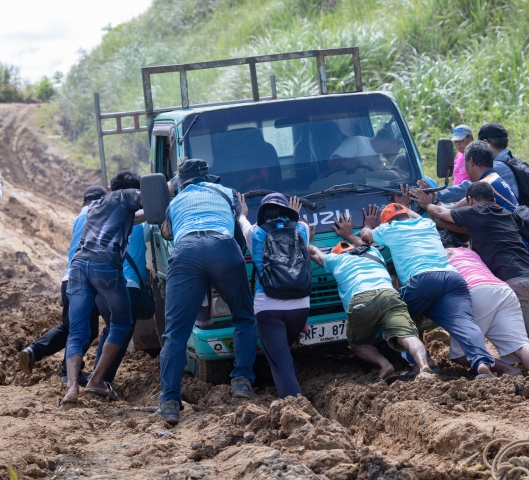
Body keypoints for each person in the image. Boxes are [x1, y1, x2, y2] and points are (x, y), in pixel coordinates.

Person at [411, 182, 529, 380]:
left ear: (470, 201)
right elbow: (448, 224)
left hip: (514, 282)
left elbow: (440, 213)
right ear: (493, 199)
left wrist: (426, 203)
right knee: (528, 337)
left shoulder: (477, 212)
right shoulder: (502, 213)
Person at [419, 139, 529, 354]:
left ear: (471, 161)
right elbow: (463, 223)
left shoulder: (485, 187)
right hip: (515, 248)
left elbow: (449, 213)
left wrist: (428, 204)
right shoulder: (495, 179)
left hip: (510, 253)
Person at [156, 159, 256, 425]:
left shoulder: (175, 202)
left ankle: (169, 403)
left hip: (186, 252)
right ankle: (242, 382)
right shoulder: (228, 193)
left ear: (181, 183)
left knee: (175, 333)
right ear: (208, 178)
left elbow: (168, 233)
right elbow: (239, 230)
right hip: (223, 247)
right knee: (244, 317)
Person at [359, 202, 495, 379]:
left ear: (387, 222)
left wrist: (369, 224)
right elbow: (416, 217)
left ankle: (421, 362)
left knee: (392, 317)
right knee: (464, 322)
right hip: (453, 278)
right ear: (407, 215)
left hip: (422, 281)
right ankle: (482, 363)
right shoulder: (427, 223)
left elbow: (365, 235)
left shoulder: (389, 229)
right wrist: (406, 206)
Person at [308, 212, 433, 381]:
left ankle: (384, 365)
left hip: (362, 299)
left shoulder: (335, 259)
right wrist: (351, 234)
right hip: (389, 294)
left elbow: (314, 252)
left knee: (358, 343)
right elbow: (362, 243)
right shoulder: (373, 252)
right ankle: (424, 366)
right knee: (407, 335)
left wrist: (305, 237)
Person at [63, 171, 145, 405]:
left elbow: (133, 218)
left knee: (77, 332)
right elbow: (149, 201)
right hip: (105, 266)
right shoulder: (125, 196)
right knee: (122, 322)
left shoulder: (96, 206)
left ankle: (71, 387)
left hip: (78, 267)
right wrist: (174, 182)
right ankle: (97, 380)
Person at [18, 186, 107, 382]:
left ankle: (34, 351)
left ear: (84, 202)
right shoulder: (100, 212)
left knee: (71, 326)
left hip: (68, 278)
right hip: (85, 278)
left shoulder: (79, 217)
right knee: (86, 330)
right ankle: (68, 372)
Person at [438, 229, 529, 375]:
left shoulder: (443, 254)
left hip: (475, 292)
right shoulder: (469, 252)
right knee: (521, 345)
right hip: (503, 291)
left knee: (461, 354)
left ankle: (509, 370)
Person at [238, 192, 310, 399]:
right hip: (300, 307)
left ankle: (294, 405)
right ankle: (291, 380)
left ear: (263, 213)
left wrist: (242, 213)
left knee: (280, 362)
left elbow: (242, 221)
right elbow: (301, 232)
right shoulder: (301, 229)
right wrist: (294, 216)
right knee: (282, 352)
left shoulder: (255, 232)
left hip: (268, 308)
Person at [92, 222, 152, 386]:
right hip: (127, 287)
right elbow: (152, 227)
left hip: (102, 287)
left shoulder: (101, 227)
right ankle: (102, 380)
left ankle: (96, 375)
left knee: (110, 331)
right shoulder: (140, 227)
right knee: (121, 335)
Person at [328, 121, 403, 171]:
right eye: (400, 148)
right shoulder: (357, 142)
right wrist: (345, 162)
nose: (397, 152)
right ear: (394, 142)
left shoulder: (382, 163)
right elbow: (330, 163)